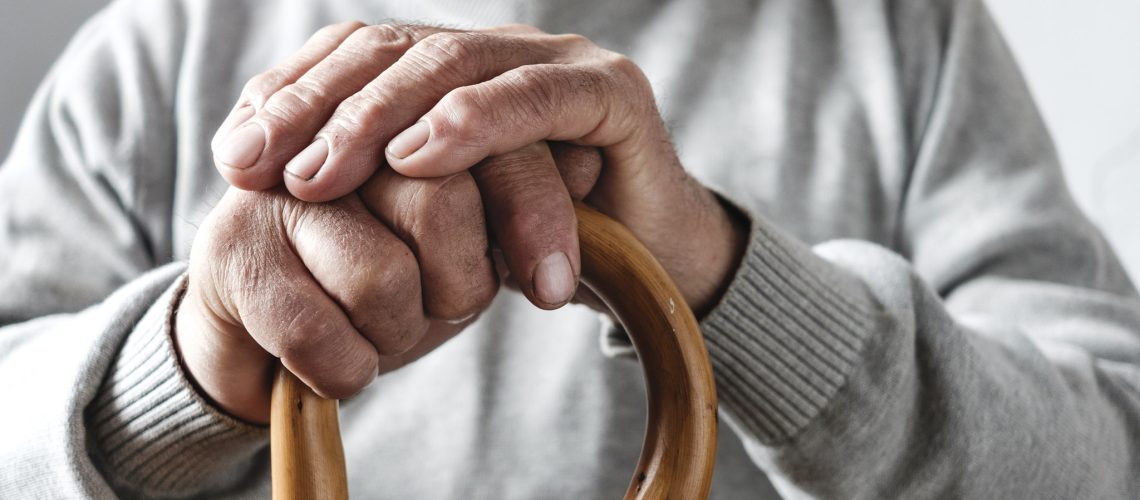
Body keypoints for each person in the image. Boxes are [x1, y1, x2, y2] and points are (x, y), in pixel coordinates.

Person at [1, 0, 1138, 498]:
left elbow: (1114, 454)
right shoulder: (156, 50)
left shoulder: (906, 31)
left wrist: (725, 278)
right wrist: (187, 367)